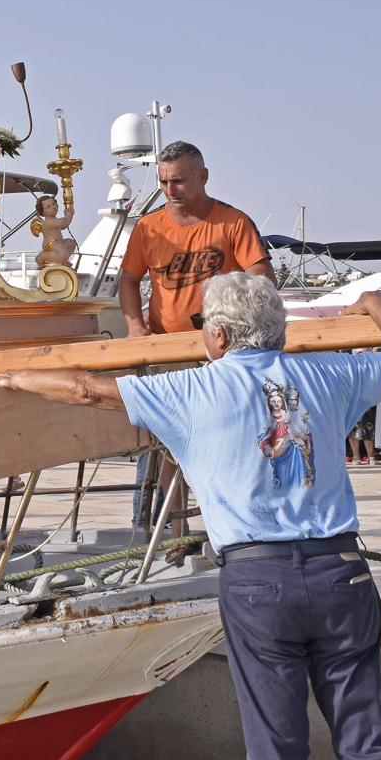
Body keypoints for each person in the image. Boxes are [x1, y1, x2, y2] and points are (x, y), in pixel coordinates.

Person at [0, 274, 381, 760]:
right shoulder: (327, 374)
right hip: (340, 570)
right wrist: (374, 301)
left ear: (218, 336)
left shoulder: (190, 388)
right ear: (279, 333)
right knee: (368, 738)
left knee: (275, 744)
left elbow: (85, 389)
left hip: (258, 579)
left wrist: (15, 377)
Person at [117, 141, 274, 558]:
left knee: (233, 438)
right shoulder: (148, 229)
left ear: (203, 177)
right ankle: (177, 534)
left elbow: (262, 279)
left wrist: (235, 320)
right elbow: (128, 280)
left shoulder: (232, 222)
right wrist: (135, 328)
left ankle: (239, 525)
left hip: (222, 352)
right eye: (165, 181)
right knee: (172, 443)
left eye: (180, 181)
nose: (171, 189)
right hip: (166, 348)